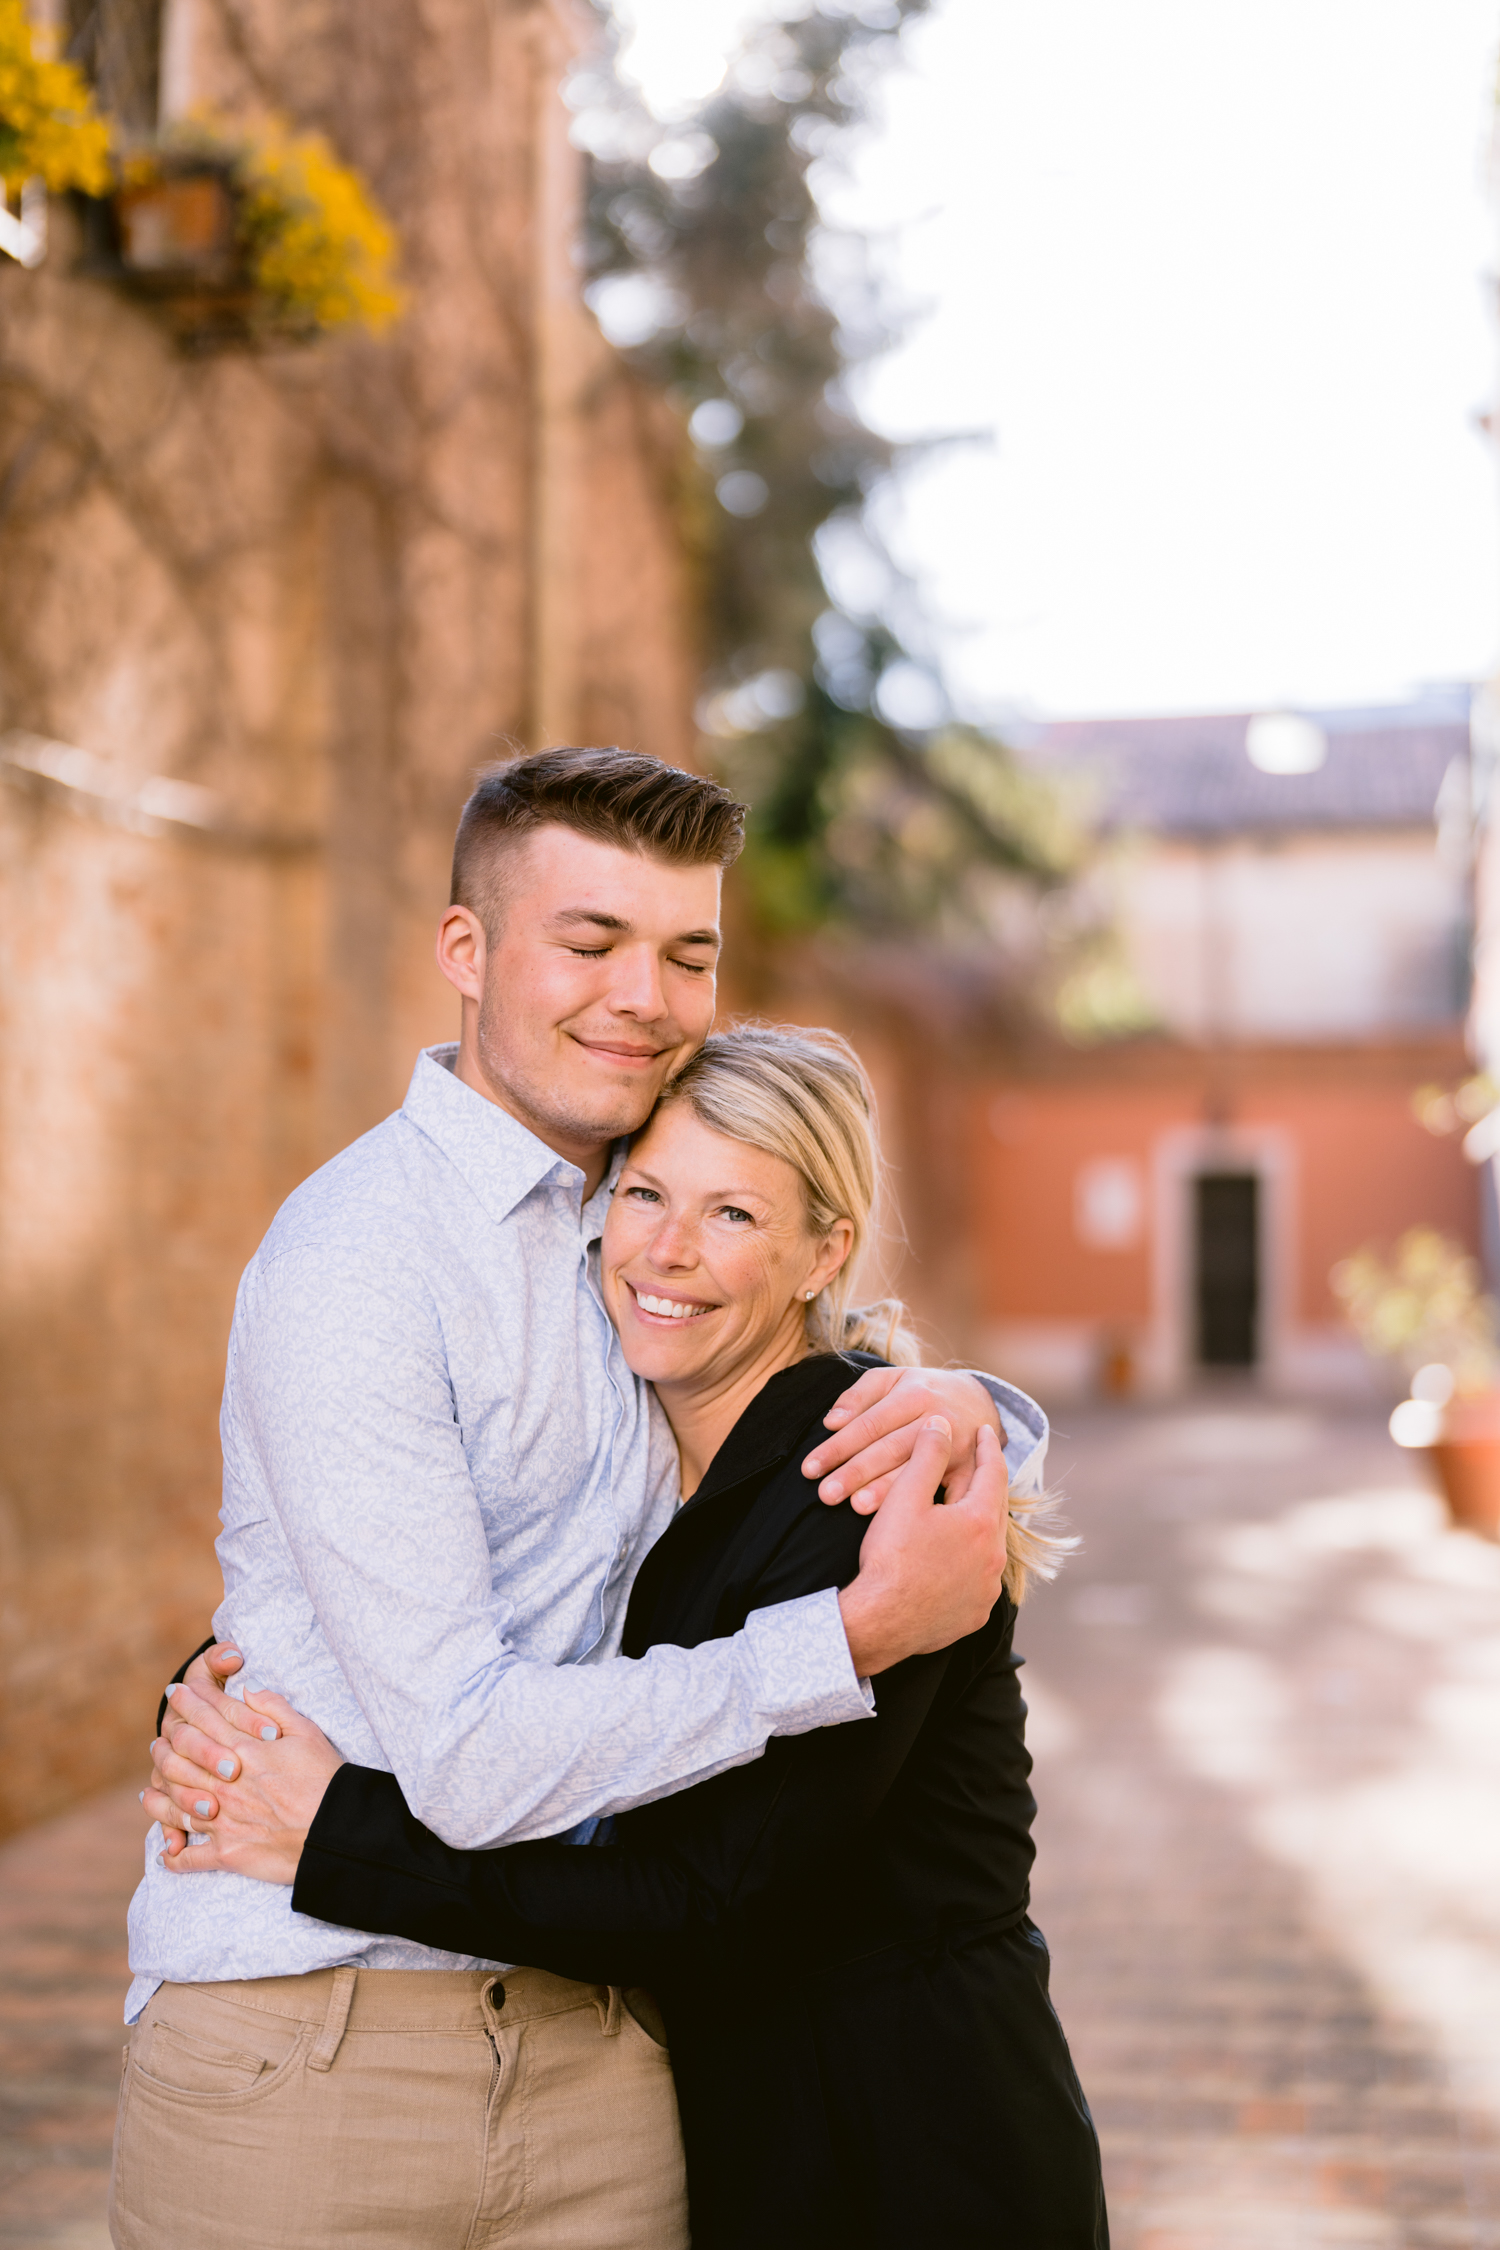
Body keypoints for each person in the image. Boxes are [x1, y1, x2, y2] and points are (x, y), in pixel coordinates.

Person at [113, 748, 1048, 2250]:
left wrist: (972, 1417)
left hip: (620, 2055)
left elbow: (791, 1360)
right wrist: (847, 1638)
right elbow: (471, 1752)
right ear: (466, 953)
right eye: (591, 940)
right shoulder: (364, 1256)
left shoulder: (631, 1197)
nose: (645, 994)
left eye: (689, 952)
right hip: (325, 2036)